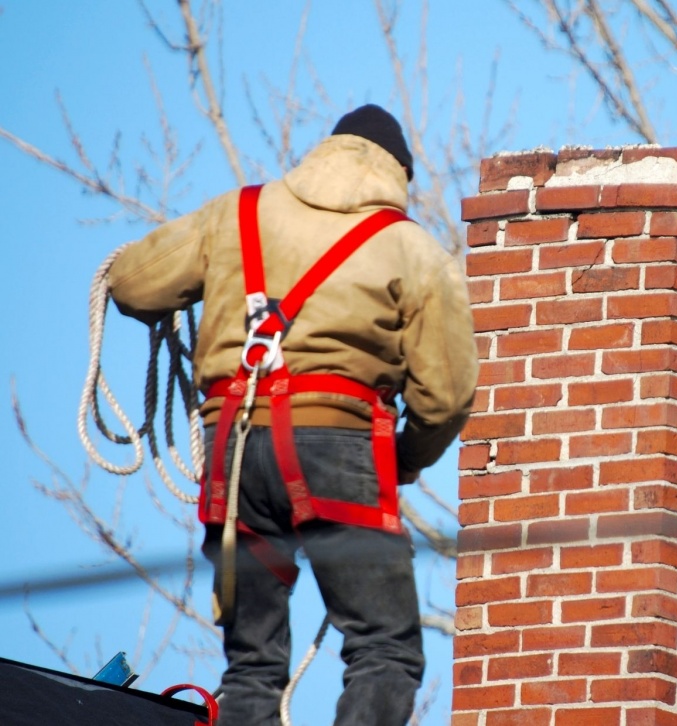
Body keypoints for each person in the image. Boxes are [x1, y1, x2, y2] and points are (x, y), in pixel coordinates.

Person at [107, 104, 479, 726]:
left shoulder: (236, 213)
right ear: (398, 175)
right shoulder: (413, 250)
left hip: (232, 450)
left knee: (252, 664)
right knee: (384, 646)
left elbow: (130, 285)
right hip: (337, 447)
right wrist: (404, 460)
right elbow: (445, 398)